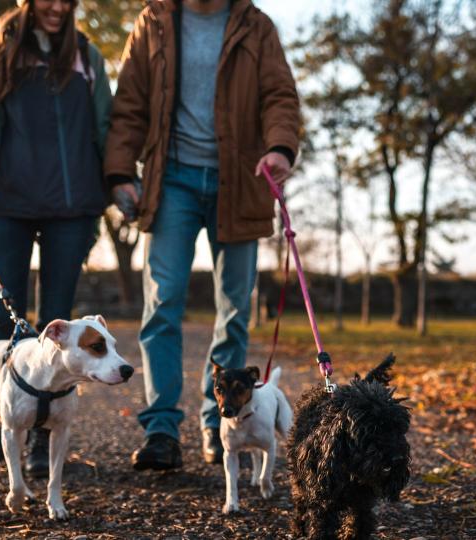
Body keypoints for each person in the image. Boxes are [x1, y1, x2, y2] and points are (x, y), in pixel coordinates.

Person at [104, 0, 300, 470]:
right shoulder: (153, 21)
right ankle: (162, 431)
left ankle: (220, 423)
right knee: (163, 301)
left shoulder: (256, 26)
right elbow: (129, 101)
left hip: (240, 180)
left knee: (234, 309)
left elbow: (279, 95)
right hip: (170, 179)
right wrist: (119, 171)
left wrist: (279, 147)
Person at [0, 0, 112, 477]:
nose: (58, 6)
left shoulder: (87, 56)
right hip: (7, 202)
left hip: (72, 205)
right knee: (7, 322)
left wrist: (118, 180)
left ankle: (45, 438)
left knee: (62, 320)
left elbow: (105, 127)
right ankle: (12, 420)